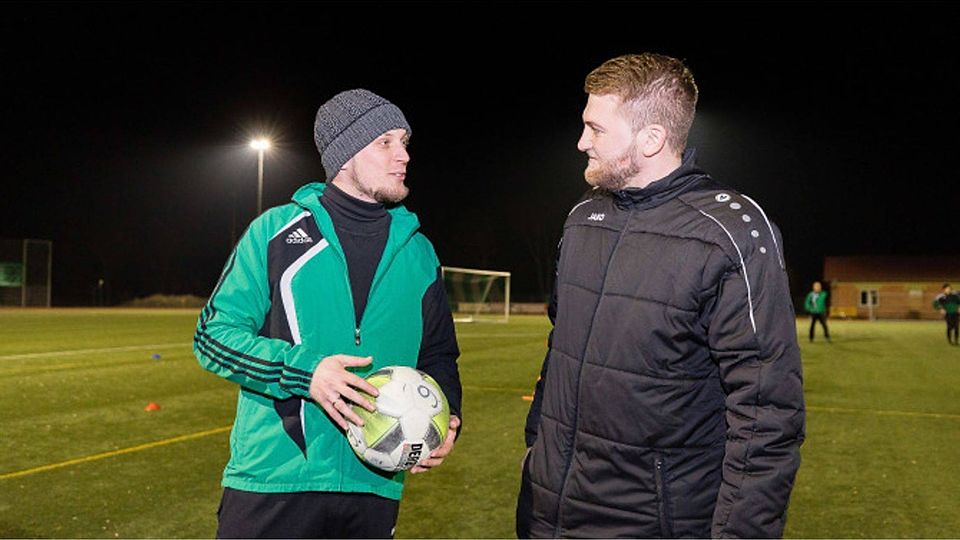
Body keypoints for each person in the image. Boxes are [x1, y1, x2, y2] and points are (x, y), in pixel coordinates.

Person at [516, 53, 805, 538]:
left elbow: (766, 413)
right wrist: (534, 460)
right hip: (550, 513)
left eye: (596, 129)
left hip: (654, 523)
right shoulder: (584, 218)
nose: (581, 141)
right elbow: (559, 355)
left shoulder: (729, 232)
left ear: (651, 139)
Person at [193, 88, 462, 539]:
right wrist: (307, 374)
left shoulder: (418, 252)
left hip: (374, 484)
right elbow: (213, 336)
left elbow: (438, 354)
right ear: (345, 154)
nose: (403, 155)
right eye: (386, 142)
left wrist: (449, 418)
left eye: (405, 143)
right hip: (273, 481)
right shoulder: (275, 233)